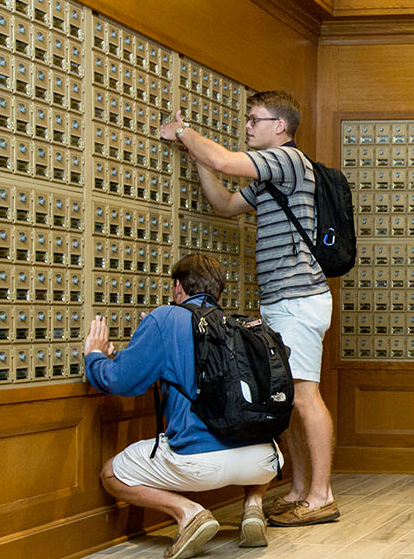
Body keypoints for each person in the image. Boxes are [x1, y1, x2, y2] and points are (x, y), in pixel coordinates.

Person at [159, 91, 338, 527]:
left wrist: (182, 131)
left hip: (298, 299)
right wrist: (195, 154)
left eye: (255, 120)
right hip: (281, 301)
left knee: (304, 395)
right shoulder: (269, 179)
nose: (247, 126)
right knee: (289, 396)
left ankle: (321, 495)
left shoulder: (288, 160)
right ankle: (299, 489)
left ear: (280, 127)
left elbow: (225, 161)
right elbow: (224, 203)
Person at [84, 254, 281, 559]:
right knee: (258, 437)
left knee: (112, 473)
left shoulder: (165, 319)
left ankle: (188, 513)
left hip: (198, 460)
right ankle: (253, 507)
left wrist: (96, 356)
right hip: (264, 460)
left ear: (178, 287)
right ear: (219, 292)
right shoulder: (241, 325)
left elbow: (120, 381)